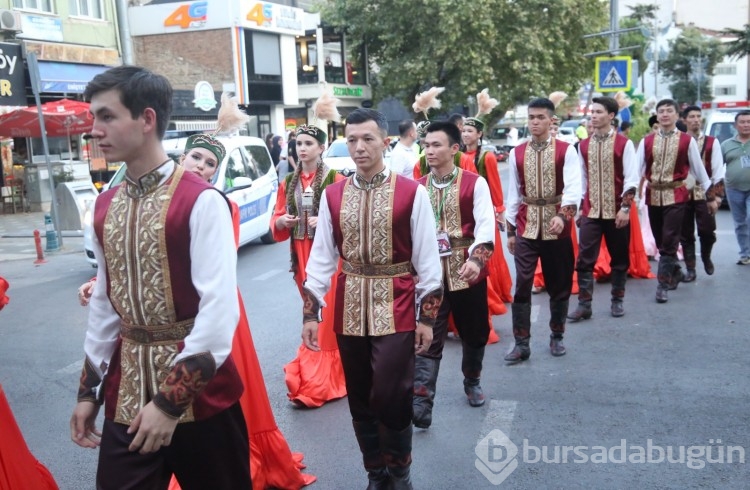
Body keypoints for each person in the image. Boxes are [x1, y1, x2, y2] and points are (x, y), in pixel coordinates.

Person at [69, 66, 251, 489]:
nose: (94, 130)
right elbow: (104, 306)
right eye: (94, 118)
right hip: (127, 389)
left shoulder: (201, 201)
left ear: (147, 119)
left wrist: (169, 403)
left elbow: (219, 310)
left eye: (107, 116)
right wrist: (87, 391)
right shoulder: (103, 207)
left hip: (202, 397)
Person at [301, 108, 443, 489]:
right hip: (349, 305)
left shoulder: (412, 193)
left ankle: (400, 471)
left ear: (385, 141)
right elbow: (321, 258)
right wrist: (310, 313)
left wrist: (426, 318)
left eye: (367, 139)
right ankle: (376, 473)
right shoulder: (333, 195)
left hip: (397, 303)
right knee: (360, 394)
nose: (359, 147)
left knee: (393, 392)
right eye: (351, 140)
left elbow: (428, 260)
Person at [412, 121, 495, 429]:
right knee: (427, 330)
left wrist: (477, 259)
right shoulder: (418, 187)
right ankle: (421, 399)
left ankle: (472, 380)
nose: (429, 150)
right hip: (430, 274)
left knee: (474, 331)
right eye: (426, 145)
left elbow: (486, 225)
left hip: (465, 270)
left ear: (455, 148)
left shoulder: (475, 183)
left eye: (436, 145)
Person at [271, 105, 347, 408]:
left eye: (308, 144)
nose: (301, 149)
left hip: (328, 256)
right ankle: (320, 369)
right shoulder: (288, 183)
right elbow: (276, 218)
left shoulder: (336, 179)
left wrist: (326, 220)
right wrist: (281, 222)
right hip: (300, 255)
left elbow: (348, 219)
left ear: (321, 147)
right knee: (310, 312)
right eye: (298, 144)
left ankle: (321, 378)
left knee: (325, 314)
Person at [504, 97, 582, 363]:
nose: (535, 122)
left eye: (540, 117)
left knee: (559, 284)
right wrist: (511, 232)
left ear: (551, 120)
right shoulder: (516, 153)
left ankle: (557, 335)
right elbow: (513, 194)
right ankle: (521, 343)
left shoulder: (566, 150)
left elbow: (574, 189)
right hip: (527, 226)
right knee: (523, 283)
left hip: (556, 227)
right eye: (531, 117)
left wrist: (563, 215)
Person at [636, 99, 716, 303]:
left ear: (676, 115)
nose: (664, 114)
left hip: (677, 195)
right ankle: (677, 270)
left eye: (669, 111)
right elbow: (636, 171)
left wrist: (711, 196)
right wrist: (631, 197)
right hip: (653, 195)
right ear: (657, 115)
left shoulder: (686, 141)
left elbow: (699, 170)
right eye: (661, 111)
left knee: (671, 238)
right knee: (660, 240)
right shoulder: (647, 141)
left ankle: (663, 284)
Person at [567, 97, 638, 321]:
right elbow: (581, 179)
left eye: (599, 112)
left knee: (619, 258)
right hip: (591, 210)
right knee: (585, 259)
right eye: (592, 112)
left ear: (611, 116)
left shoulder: (623, 144)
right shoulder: (584, 145)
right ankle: (584, 305)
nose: (593, 116)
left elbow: (631, 178)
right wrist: (578, 208)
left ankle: (617, 300)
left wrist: (625, 208)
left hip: (617, 211)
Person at [680, 105, 725, 281]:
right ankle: (690, 268)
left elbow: (718, 171)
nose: (696, 120)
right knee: (685, 233)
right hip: (682, 193)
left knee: (707, 230)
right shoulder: (679, 141)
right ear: (685, 120)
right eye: (691, 116)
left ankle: (706, 255)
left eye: (698, 116)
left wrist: (717, 196)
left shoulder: (712, 142)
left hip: (705, 194)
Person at [721, 110, 750, 265]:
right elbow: (718, 167)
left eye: (749, 122)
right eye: (743, 122)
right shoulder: (726, 145)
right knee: (740, 223)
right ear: (736, 125)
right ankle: (745, 253)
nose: (746, 125)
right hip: (733, 189)